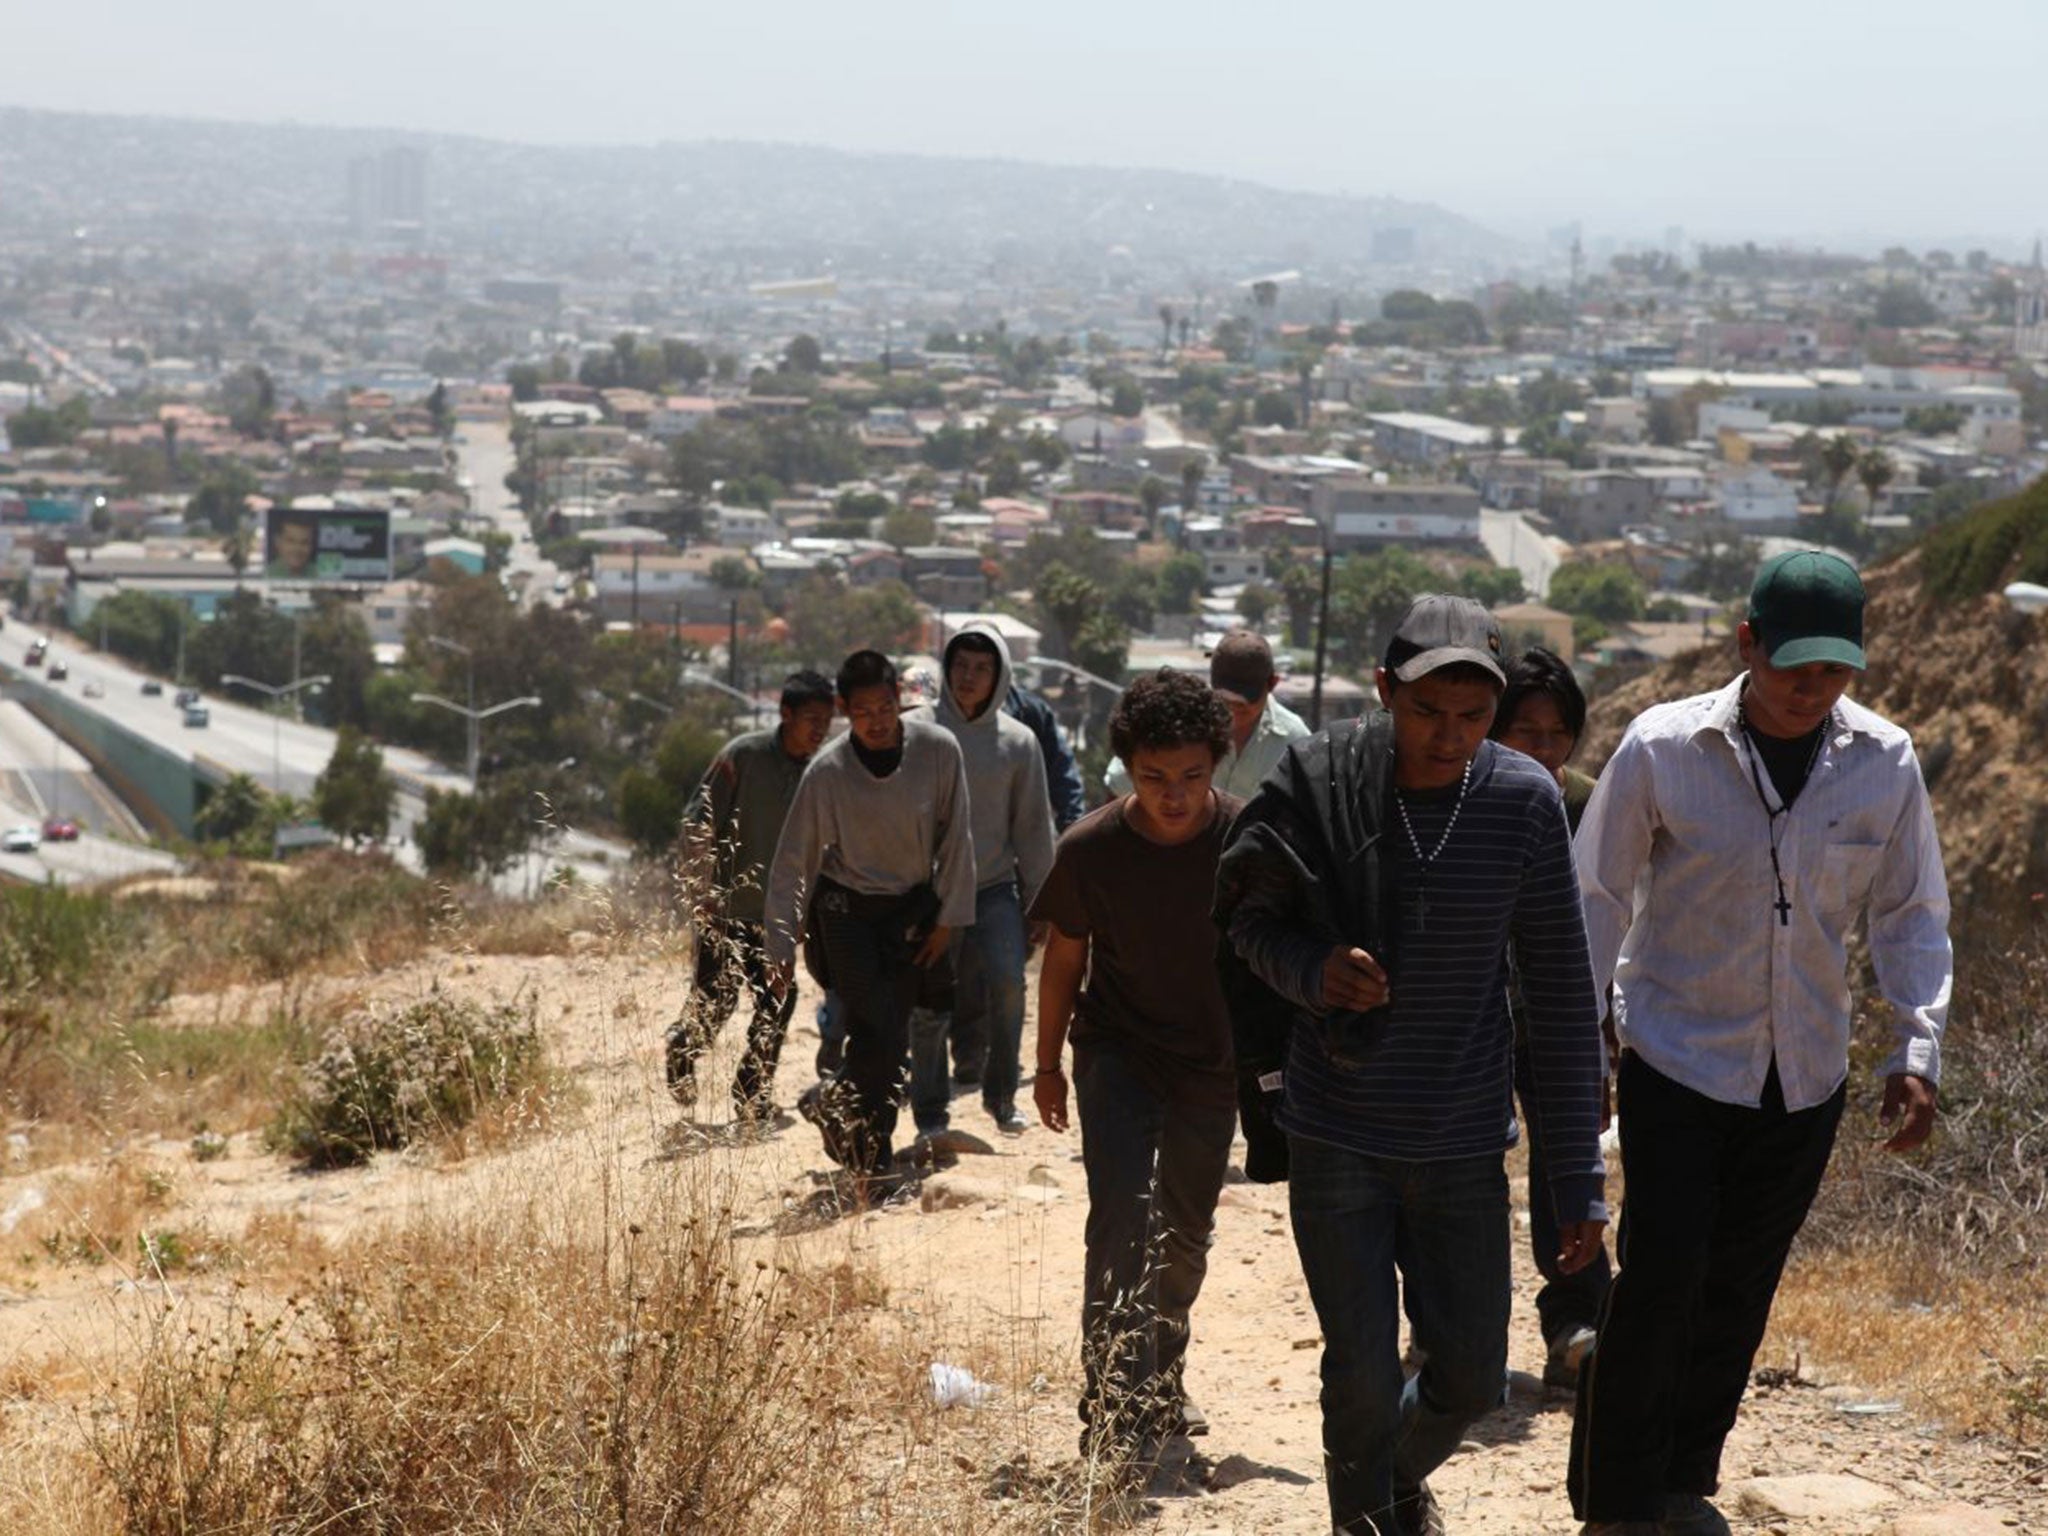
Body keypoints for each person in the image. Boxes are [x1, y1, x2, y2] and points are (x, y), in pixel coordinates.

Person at [1569, 552, 1951, 1536]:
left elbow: (1909, 915)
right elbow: (1597, 896)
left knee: (1739, 1284)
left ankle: (1681, 1481)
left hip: (1804, 1072)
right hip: (1674, 1056)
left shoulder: (1882, 762)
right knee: (1658, 1277)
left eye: (1830, 675)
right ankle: (1614, 1501)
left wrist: (1911, 1054)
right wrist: (1584, 1044)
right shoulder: (1663, 747)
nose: (1808, 692)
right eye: (1792, 670)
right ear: (1747, 644)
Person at [1215, 595, 1607, 1536]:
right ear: (1387, 691)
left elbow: (1558, 992)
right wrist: (1314, 974)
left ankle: (1384, 1486)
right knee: (1355, 1369)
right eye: (1429, 714)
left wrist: (1579, 1179)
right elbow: (1246, 921)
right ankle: (1370, 1520)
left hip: (1464, 1141)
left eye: (1473, 717)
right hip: (1338, 1130)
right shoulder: (1320, 781)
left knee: (1471, 1374)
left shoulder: (1523, 802)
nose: (1449, 737)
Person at [1029, 668, 1241, 1471]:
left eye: (1191, 777)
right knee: (1122, 1216)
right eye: (1154, 779)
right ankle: (1113, 1400)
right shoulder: (1091, 850)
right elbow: (1062, 963)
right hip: (1116, 1051)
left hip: (1209, 1066)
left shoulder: (1244, 840)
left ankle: (1162, 1369)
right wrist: (1047, 1066)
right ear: (1127, 770)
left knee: (1184, 1232)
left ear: (1215, 764)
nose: (1174, 795)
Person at [763, 650, 977, 1179]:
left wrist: (948, 919)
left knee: (891, 1034)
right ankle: (871, 1151)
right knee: (875, 1025)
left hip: (909, 911)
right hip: (844, 912)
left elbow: (956, 839)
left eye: (886, 707)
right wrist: (779, 945)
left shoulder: (938, 751)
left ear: (899, 701)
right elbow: (794, 862)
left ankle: (853, 1133)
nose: (877, 721)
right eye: (864, 712)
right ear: (844, 710)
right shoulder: (828, 773)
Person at [1488, 647, 1613, 1388]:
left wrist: (1606, 1031)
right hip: (1473, 1013)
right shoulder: (1465, 796)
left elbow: (1622, 915)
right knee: (1464, 1170)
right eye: (1524, 731)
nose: (1541, 748)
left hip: (1560, 1015)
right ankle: (1452, 1329)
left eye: (1556, 732)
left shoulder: (1591, 806)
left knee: (1568, 1165)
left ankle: (1576, 1325)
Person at [666, 671, 836, 1120]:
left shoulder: (821, 774)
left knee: (779, 1000)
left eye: (827, 720)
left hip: (775, 917)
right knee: (714, 1003)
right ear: (786, 714)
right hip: (724, 908)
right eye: (812, 719)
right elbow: (697, 823)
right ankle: (682, 1052)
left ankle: (751, 1092)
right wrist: (700, 891)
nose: (820, 730)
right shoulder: (743, 755)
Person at [912, 624, 1056, 1138]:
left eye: (982, 669)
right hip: (929, 895)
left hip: (994, 887)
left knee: (1009, 985)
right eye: (960, 667)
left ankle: (1001, 1098)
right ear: (946, 671)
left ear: (999, 677)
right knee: (929, 1004)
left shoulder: (1018, 743)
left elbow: (1034, 826)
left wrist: (1042, 901)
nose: (969, 678)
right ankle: (930, 1112)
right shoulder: (917, 731)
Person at [1104, 629, 1308, 800]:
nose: (1235, 706)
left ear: (1272, 684)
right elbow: (1117, 789)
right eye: (1227, 697)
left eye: (1246, 698)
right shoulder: (1179, 720)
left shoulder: (1295, 741)